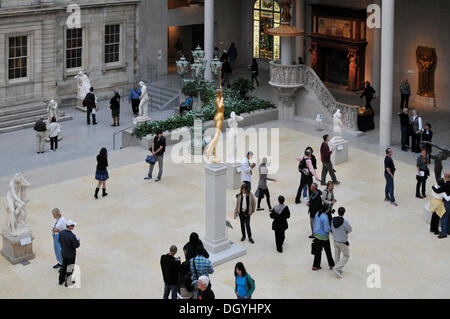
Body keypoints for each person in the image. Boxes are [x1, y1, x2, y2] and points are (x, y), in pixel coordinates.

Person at [331, 207, 352, 278]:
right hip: (342, 242)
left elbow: (332, 229)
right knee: (346, 256)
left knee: (337, 255)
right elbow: (350, 230)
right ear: (344, 213)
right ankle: (337, 268)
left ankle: (338, 270)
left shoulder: (333, 220)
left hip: (335, 240)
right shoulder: (345, 222)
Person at [312, 207, 335, 271]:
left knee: (318, 252)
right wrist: (331, 230)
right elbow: (326, 229)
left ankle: (315, 266)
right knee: (328, 252)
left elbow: (314, 223)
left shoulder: (317, 213)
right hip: (324, 237)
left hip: (317, 235)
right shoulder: (325, 217)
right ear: (326, 210)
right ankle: (331, 265)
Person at [58, 220, 80, 286]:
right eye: (73, 225)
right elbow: (77, 245)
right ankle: (68, 282)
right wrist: (78, 240)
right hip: (71, 255)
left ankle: (60, 280)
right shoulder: (72, 236)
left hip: (64, 253)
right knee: (70, 268)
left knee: (64, 266)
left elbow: (59, 241)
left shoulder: (61, 232)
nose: (73, 226)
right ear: (70, 227)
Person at [432, 173, 450, 238]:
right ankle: (449, 230)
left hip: (447, 203)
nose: (444, 178)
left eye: (445, 177)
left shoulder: (445, 185)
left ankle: (444, 233)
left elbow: (438, 190)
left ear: (447, 178)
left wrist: (433, 187)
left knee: (444, 217)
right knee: (449, 217)